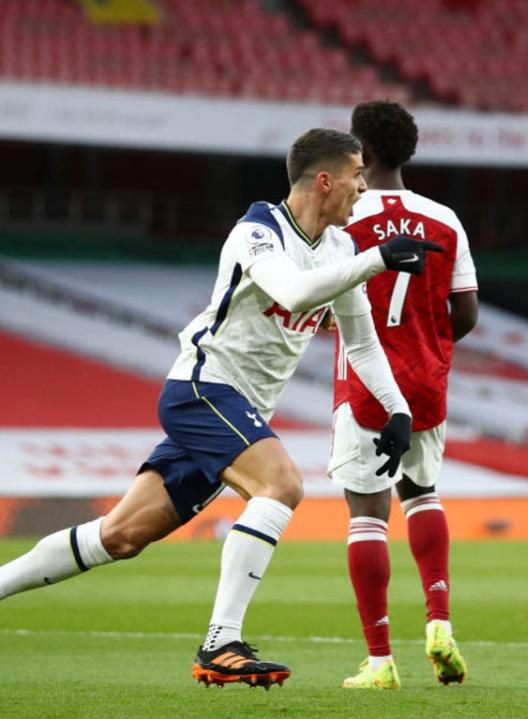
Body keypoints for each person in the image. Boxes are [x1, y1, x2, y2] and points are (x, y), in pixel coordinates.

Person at [0, 128, 443, 690]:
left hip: (240, 409)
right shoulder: (257, 232)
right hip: (203, 387)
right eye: (357, 174)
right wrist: (379, 259)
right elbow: (294, 293)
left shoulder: (341, 249)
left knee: (120, 536)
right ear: (324, 180)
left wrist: (398, 411)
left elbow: (360, 341)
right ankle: (221, 642)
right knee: (280, 485)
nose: (363, 186)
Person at [326, 101, 478, 690]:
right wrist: (426, 342)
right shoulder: (445, 218)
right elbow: (464, 312)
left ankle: (381, 660)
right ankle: (439, 620)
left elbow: (315, 298)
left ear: (359, 152)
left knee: (367, 517)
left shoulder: (343, 216)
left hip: (365, 383)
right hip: (426, 380)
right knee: (423, 494)